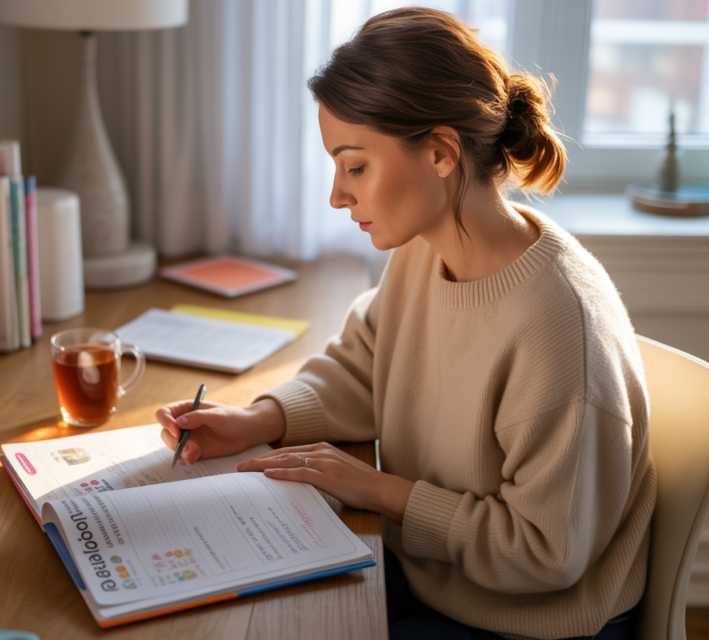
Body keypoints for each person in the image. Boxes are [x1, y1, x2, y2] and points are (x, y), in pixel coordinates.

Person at [156, 8, 655, 640]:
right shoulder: (426, 247)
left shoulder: (558, 327)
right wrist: (260, 419)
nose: (337, 196)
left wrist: (379, 491)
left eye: (355, 166)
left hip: (529, 621)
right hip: (435, 575)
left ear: (442, 153)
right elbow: (368, 361)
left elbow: (545, 552)